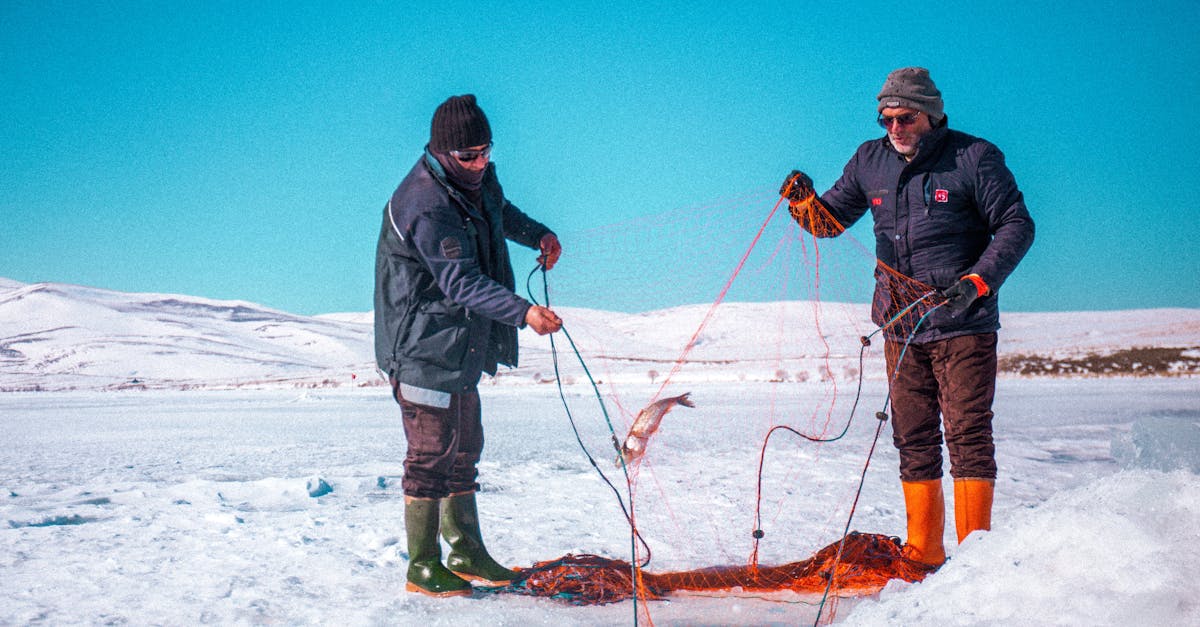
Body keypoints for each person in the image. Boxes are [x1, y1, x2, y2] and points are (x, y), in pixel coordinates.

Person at [779, 67, 1034, 567]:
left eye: (905, 118)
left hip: (964, 321)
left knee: (967, 435)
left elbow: (1016, 225)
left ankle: (973, 562)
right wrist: (801, 203)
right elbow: (828, 222)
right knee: (913, 437)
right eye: (886, 118)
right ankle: (924, 555)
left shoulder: (974, 158)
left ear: (931, 115)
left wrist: (978, 281)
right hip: (900, 325)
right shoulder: (869, 160)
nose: (893, 128)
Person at [374, 94, 564, 597]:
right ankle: (422, 565)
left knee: (465, 450)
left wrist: (539, 234)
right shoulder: (424, 203)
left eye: (486, 151)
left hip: (461, 346)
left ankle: (466, 550)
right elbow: (461, 282)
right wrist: (524, 313)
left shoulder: (476, 180)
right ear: (442, 152)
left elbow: (501, 213)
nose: (480, 163)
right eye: (469, 156)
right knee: (431, 454)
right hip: (421, 350)